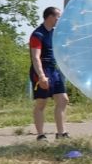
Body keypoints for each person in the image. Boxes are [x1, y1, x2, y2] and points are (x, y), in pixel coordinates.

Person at [29, 7, 69, 140]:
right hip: (42, 70)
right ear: (50, 17)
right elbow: (35, 57)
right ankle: (41, 135)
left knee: (63, 99)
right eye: (58, 16)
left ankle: (61, 134)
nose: (60, 19)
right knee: (41, 103)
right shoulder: (37, 35)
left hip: (53, 70)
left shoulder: (54, 33)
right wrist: (41, 76)